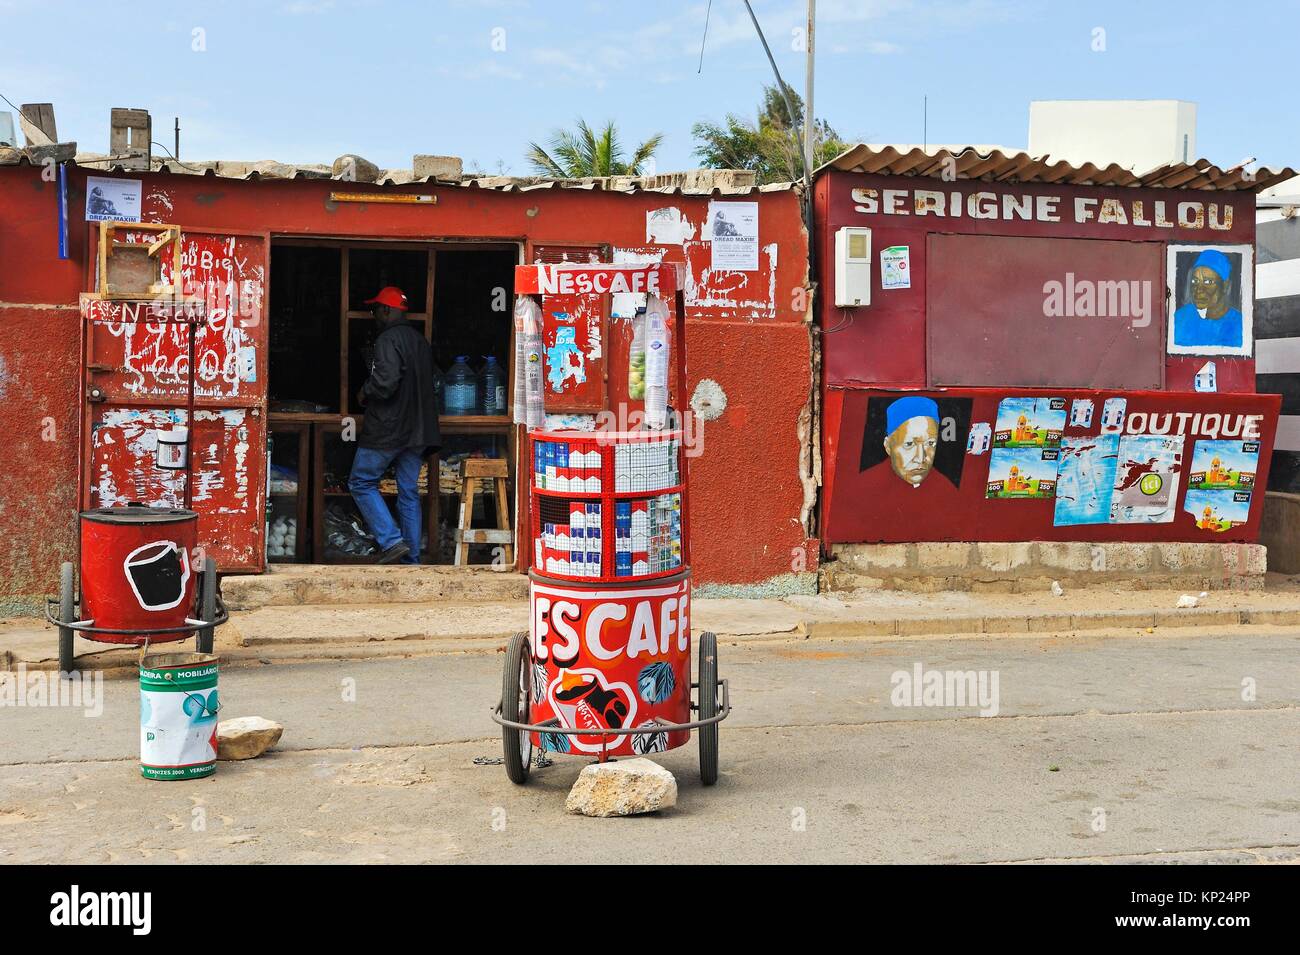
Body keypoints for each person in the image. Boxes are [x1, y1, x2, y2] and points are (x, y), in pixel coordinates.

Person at [348, 286, 440, 564]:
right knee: (408, 492)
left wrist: (365, 391)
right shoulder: (419, 341)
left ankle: (391, 541)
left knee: (361, 482)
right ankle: (410, 560)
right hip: (418, 430)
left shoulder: (387, 339)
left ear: (387, 310)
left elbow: (385, 383)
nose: (373, 314)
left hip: (389, 428)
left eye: (375, 309)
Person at [1172, 249, 1243, 349]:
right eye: (1195, 281)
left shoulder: (1239, 325)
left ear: (1225, 286)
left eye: (1208, 282)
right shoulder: (1181, 319)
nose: (1198, 290)